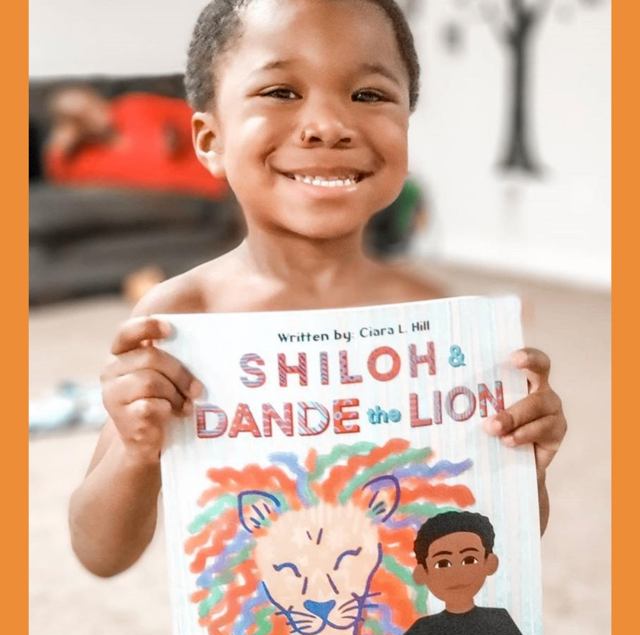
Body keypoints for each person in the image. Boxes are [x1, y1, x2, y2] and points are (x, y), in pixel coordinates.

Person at [69, 0, 567, 580]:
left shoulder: (436, 317)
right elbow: (100, 553)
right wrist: (134, 451)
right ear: (209, 140)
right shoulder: (180, 319)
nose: (329, 125)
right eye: (281, 91)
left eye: (369, 95)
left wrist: (526, 467)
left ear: (406, 127)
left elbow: (499, 541)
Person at [45, 85, 228, 199]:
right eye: (80, 115)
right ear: (71, 127)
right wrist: (59, 145)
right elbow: (59, 178)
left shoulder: (132, 106)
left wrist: (177, 134)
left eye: (90, 102)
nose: (92, 113)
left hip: (222, 165)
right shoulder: (87, 159)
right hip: (202, 196)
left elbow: (194, 114)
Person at [401, 511, 525, 635]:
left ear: (489, 563)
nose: (457, 573)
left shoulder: (499, 621)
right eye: (443, 563)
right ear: (422, 573)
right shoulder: (422, 630)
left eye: (469, 560)